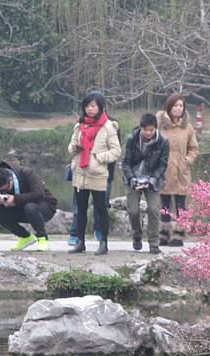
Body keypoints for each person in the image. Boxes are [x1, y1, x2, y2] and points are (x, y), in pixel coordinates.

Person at [67, 90, 122, 255]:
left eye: (93, 106)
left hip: (97, 174)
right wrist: (74, 148)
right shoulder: (80, 125)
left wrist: (98, 158)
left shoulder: (108, 126)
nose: (89, 109)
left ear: (100, 107)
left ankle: (103, 243)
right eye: (87, 106)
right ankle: (80, 242)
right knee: (81, 210)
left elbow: (116, 151)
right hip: (80, 172)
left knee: (100, 209)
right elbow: (70, 146)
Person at [122, 113, 170, 254]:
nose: (149, 133)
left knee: (154, 210)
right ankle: (137, 235)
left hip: (153, 178)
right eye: (146, 130)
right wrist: (132, 178)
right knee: (133, 210)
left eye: (151, 130)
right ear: (141, 128)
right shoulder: (132, 139)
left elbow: (163, 164)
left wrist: (153, 179)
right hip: (134, 178)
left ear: (155, 128)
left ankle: (154, 243)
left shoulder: (163, 141)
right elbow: (125, 163)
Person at [156, 93, 199, 247]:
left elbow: (194, 149)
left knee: (181, 204)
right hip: (164, 170)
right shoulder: (160, 126)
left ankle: (179, 235)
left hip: (181, 170)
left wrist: (187, 161)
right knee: (164, 204)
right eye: (175, 105)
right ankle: (163, 234)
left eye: (181, 106)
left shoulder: (187, 127)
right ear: (169, 107)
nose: (178, 108)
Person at [0, 161, 57, 251]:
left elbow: (39, 194)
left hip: (44, 206)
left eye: (6, 188)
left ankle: (43, 238)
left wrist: (15, 199)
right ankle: (25, 237)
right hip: (21, 207)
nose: (5, 191)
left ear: (10, 179)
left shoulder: (26, 173)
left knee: (30, 207)